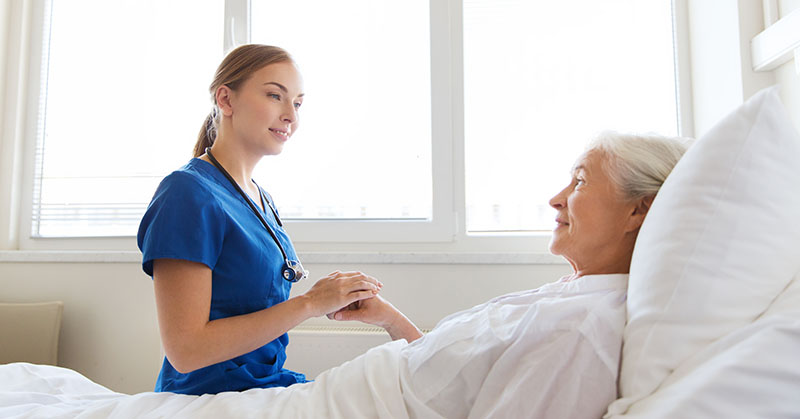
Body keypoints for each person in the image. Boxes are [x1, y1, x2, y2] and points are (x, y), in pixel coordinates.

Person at [326, 131, 689, 417]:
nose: (556, 199)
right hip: (345, 397)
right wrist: (391, 320)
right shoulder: (576, 297)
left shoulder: (577, 328)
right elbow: (447, 390)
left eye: (579, 182)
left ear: (639, 210)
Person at [136, 44, 385, 396]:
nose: (291, 117)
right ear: (226, 100)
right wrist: (310, 303)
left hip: (262, 387)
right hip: (210, 398)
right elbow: (186, 351)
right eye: (274, 95)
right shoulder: (186, 194)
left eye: (297, 103)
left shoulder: (259, 198)